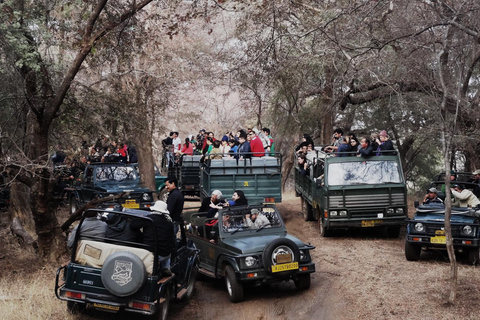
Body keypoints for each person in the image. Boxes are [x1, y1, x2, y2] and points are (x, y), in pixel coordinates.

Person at [130, 201, 175, 276]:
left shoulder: (149, 219)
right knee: (166, 252)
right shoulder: (169, 222)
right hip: (165, 254)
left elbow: (133, 225)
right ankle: (166, 268)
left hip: (151, 253)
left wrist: (140, 217)